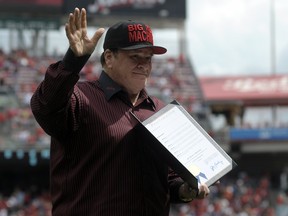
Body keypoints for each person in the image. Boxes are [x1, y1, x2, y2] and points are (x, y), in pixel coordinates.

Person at [30, 7, 210, 216]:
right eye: (135, 57)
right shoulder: (81, 98)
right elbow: (44, 108)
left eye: (148, 58)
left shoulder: (160, 110)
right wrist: (72, 61)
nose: (144, 65)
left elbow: (166, 176)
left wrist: (185, 189)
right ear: (108, 58)